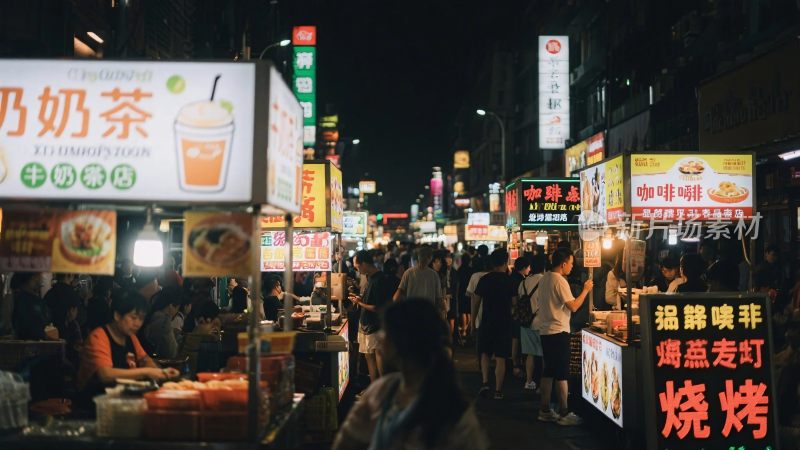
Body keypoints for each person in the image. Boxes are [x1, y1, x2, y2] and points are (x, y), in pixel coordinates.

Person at [333, 299, 487, 450]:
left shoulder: (453, 416)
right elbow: (348, 439)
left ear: (403, 342)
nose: (380, 338)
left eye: (386, 332)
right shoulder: (382, 390)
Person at [77, 289, 179, 398]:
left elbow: (145, 360)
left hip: (121, 399)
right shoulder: (98, 337)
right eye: (133, 318)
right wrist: (146, 372)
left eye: (141, 319)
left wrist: (162, 372)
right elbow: (105, 375)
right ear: (117, 315)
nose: (138, 324)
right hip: (94, 403)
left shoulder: (131, 337)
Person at [532, 249, 593, 426]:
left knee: (549, 371)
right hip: (558, 331)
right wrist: (586, 290)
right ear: (563, 264)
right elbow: (573, 306)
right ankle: (564, 412)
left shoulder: (544, 278)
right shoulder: (559, 280)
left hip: (546, 331)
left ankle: (544, 410)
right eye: (571, 263)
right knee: (561, 374)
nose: (572, 266)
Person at [474, 249, 515, 400]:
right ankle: (498, 390)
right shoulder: (508, 280)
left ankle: (485, 382)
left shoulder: (485, 279)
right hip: (504, 322)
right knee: (501, 357)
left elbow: (476, 301)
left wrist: (472, 321)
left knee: (484, 353)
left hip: (487, 321)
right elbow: (514, 303)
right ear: (505, 263)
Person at [351, 250, 394, 384]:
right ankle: (375, 389)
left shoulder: (379, 279)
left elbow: (377, 307)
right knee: (370, 358)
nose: (357, 270)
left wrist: (360, 303)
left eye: (357, 267)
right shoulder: (371, 277)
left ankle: (381, 389)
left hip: (375, 325)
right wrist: (360, 299)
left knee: (378, 357)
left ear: (364, 264)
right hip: (367, 325)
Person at [519, 253, 546, 391]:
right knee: (543, 355)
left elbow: (518, 300)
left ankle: (529, 381)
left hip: (526, 321)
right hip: (542, 322)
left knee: (530, 353)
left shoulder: (523, 282)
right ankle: (542, 385)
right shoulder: (545, 281)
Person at [394, 247, 444, 315]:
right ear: (430, 258)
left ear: (418, 257)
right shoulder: (434, 275)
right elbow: (439, 300)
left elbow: (396, 297)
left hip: (411, 313)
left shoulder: (408, 273)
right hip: (428, 314)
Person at [12, 273, 59, 341]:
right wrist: (44, 335)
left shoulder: (34, 299)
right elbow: (26, 327)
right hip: (31, 347)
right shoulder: (23, 301)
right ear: (31, 278)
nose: (41, 278)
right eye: (38, 275)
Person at [141, 288, 182, 359]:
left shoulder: (151, 314)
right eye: (177, 308)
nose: (177, 312)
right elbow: (171, 352)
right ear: (171, 306)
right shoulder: (164, 320)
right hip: (157, 363)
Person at [509, 256, 531, 378]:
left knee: (515, 339)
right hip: (517, 314)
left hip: (512, 314)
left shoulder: (511, 277)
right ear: (523, 268)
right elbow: (514, 300)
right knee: (516, 339)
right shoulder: (519, 280)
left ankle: (515, 364)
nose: (529, 270)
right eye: (528, 267)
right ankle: (516, 365)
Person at [438, 251, 461, 341]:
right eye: (447, 258)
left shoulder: (454, 271)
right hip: (443, 298)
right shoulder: (440, 272)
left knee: (451, 318)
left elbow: (456, 285)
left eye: (450, 258)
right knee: (444, 319)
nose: (449, 260)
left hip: (452, 298)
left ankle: (450, 339)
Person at [456, 253, 474, 340]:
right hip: (469, 292)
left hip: (462, 292)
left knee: (463, 311)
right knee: (469, 311)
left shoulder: (459, 270)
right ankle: (469, 329)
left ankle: (463, 329)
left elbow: (458, 283)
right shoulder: (471, 270)